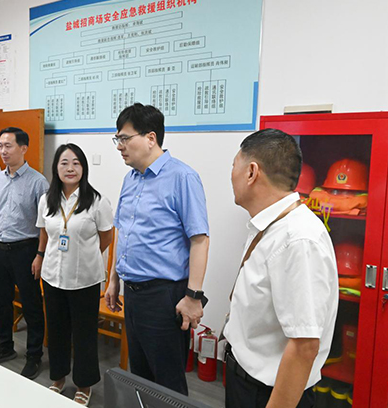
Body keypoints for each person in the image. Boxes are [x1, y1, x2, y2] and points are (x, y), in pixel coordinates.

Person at [224, 128, 338, 408]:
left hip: (268, 393)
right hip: (244, 378)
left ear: (251, 172)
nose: (231, 175)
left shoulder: (298, 239)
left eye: (234, 166)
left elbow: (304, 346)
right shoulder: (270, 223)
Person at [104, 103, 210, 395]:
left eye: (125, 138)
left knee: (167, 383)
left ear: (151, 138)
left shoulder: (182, 177)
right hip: (132, 294)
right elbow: (122, 231)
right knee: (141, 376)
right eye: (117, 139)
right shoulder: (130, 179)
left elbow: (200, 239)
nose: (119, 146)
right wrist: (113, 279)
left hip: (164, 297)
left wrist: (193, 296)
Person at [34, 143, 113, 406]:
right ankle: (57, 378)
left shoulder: (97, 201)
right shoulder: (46, 200)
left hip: (84, 280)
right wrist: (40, 255)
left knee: (84, 334)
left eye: (76, 163)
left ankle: (84, 384)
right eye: (64, 163)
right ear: (56, 168)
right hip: (53, 277)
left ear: (84, 168)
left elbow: (106, 237)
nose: (70, 168)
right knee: (56, 331)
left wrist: (85, 256)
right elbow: (44, 232)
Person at [0, 127, 49, 379]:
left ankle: (34, 355)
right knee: (1, 301)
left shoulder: (38, 182)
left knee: (31, 304)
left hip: (26, 250)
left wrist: (40, 255)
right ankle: (5, 346)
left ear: (23, 148)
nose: (3, 151)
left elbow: (44, 224)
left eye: (8, 146)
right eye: (0, 146)